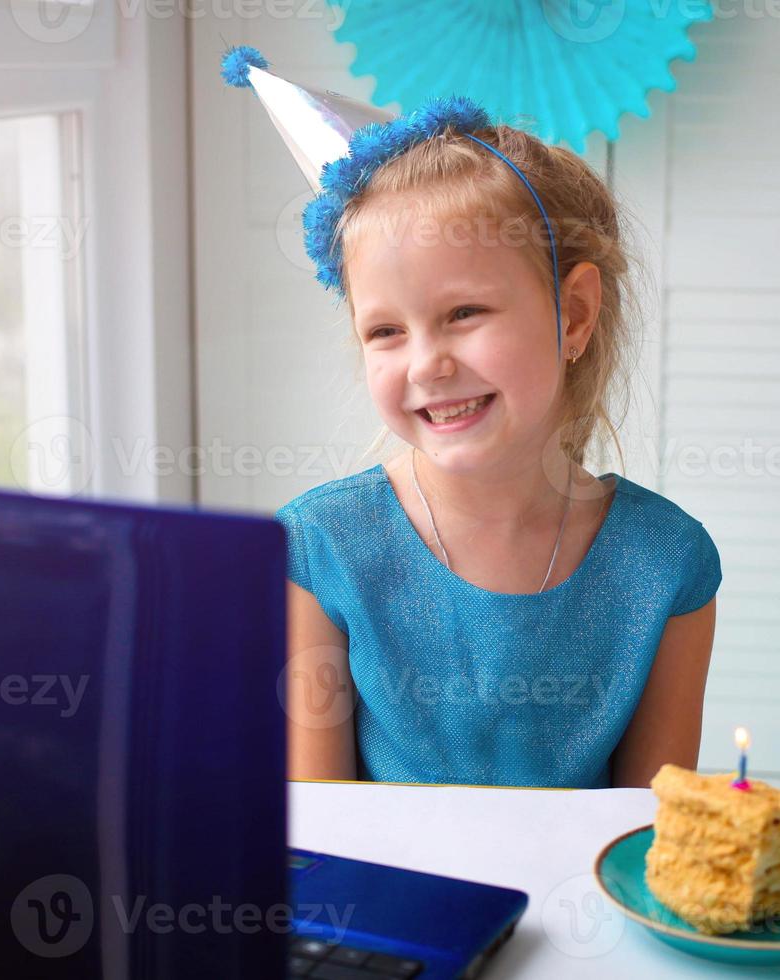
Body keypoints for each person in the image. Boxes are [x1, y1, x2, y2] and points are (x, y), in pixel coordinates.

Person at [224, 47, 720, 789]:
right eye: (385, 331)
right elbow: (323, 836)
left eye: (463, 313)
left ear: (574, 315)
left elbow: (646, 841)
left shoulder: (667, 563)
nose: (425, 363)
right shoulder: (319, 549)